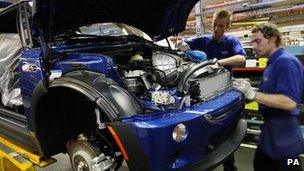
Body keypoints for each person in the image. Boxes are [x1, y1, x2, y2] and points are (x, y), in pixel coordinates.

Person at [178, 9, 246, 171]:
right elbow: (183, 44)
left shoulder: (231, 41)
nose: (216, 29)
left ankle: (230, 168)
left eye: (221, 26)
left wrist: (218, 62)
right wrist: (182, 45)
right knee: (203, 132)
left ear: (227, 26)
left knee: (225, 136)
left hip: (223, 93)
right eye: (215, 25)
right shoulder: (204, 40)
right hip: (203, 95)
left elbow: (241, 59)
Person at [233, 23, 304, 171]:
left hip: (285, 142)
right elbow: (272, 93)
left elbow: (289, 102)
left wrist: (253, 94)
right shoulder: (272, 62)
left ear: (273, 39)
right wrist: (248, 90)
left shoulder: (285, 62)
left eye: (258, 41)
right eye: (252, 41)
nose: (253, 46)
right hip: (269, 137)